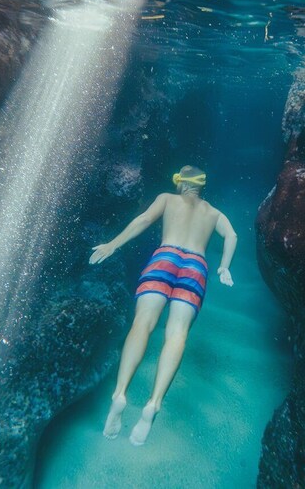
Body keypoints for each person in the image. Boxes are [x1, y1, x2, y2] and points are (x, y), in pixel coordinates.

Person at [89, 165, 237, 445]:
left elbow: (144, 220)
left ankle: (120, 394)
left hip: (165, 257)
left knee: (142, 324)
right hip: (196, 265)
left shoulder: (167, 199)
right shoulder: (214, 213)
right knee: (178, 334)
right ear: (201, 186)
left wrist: (113, 244)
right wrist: (224, 267)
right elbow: (232, 236)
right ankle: (154, 404)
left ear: (181, 183)